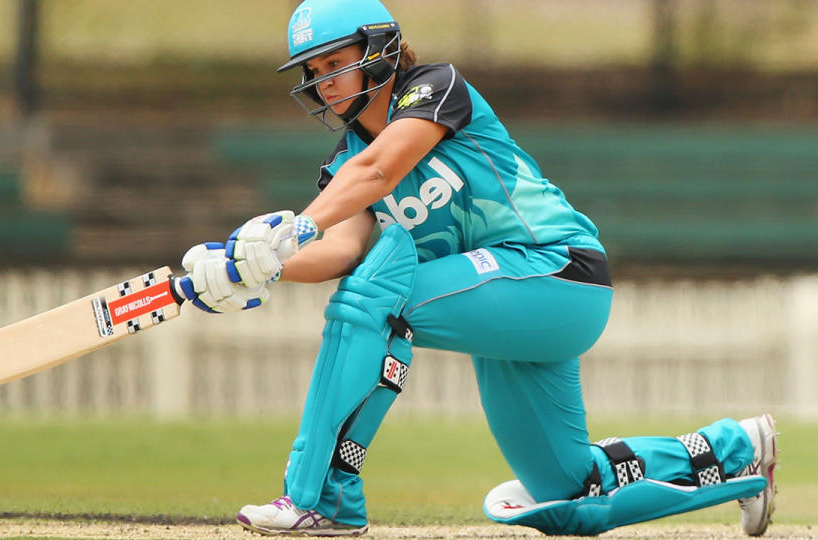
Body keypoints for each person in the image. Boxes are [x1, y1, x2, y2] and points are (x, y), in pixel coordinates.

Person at [174, 0, 778, 536]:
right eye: (312, 71)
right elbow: (344, 248)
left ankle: (324, 497)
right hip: (508, 305)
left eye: (335, 62)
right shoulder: (344, 162)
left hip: (559, 272)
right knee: (568, 491)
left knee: (381, 300)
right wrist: (245, 267)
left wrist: (289, 232)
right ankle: (738, 450)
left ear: (379, 49)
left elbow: (382, 172)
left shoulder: (435, 88)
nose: (323, 82)